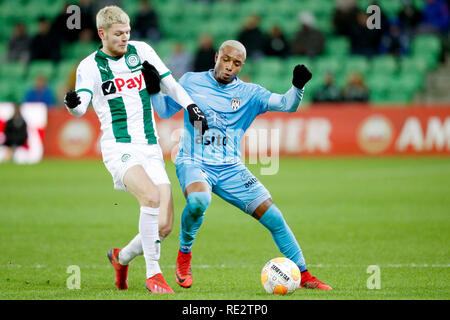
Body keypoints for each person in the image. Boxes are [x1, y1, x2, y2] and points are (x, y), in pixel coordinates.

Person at [150, 40, 332, 290]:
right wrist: (152, 89)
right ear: (216, 56)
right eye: (226, 60)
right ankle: (184, 255)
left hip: (230, 168)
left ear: (242, 66)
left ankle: (304, 275)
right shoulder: (191, 81)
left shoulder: (250, 94)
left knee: (275, 218)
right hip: (193, 160)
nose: (229, 67)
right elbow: (163, 110)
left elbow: (287, 105)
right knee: (199, 200)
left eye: (236, 64)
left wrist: (297, 86)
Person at [63, 5, 209, 294]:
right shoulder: (89, 66)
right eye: (118, 34)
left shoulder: (141, 51)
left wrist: (191, 105)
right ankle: (154, 274)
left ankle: (121, 257)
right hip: (119, 148)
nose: (124, 38)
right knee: (151, 197)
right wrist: (72, 103)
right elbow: (80, 106)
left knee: (165, 226)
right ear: (102, 33)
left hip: (150, 146)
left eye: (127, 32)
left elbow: (170, 83)